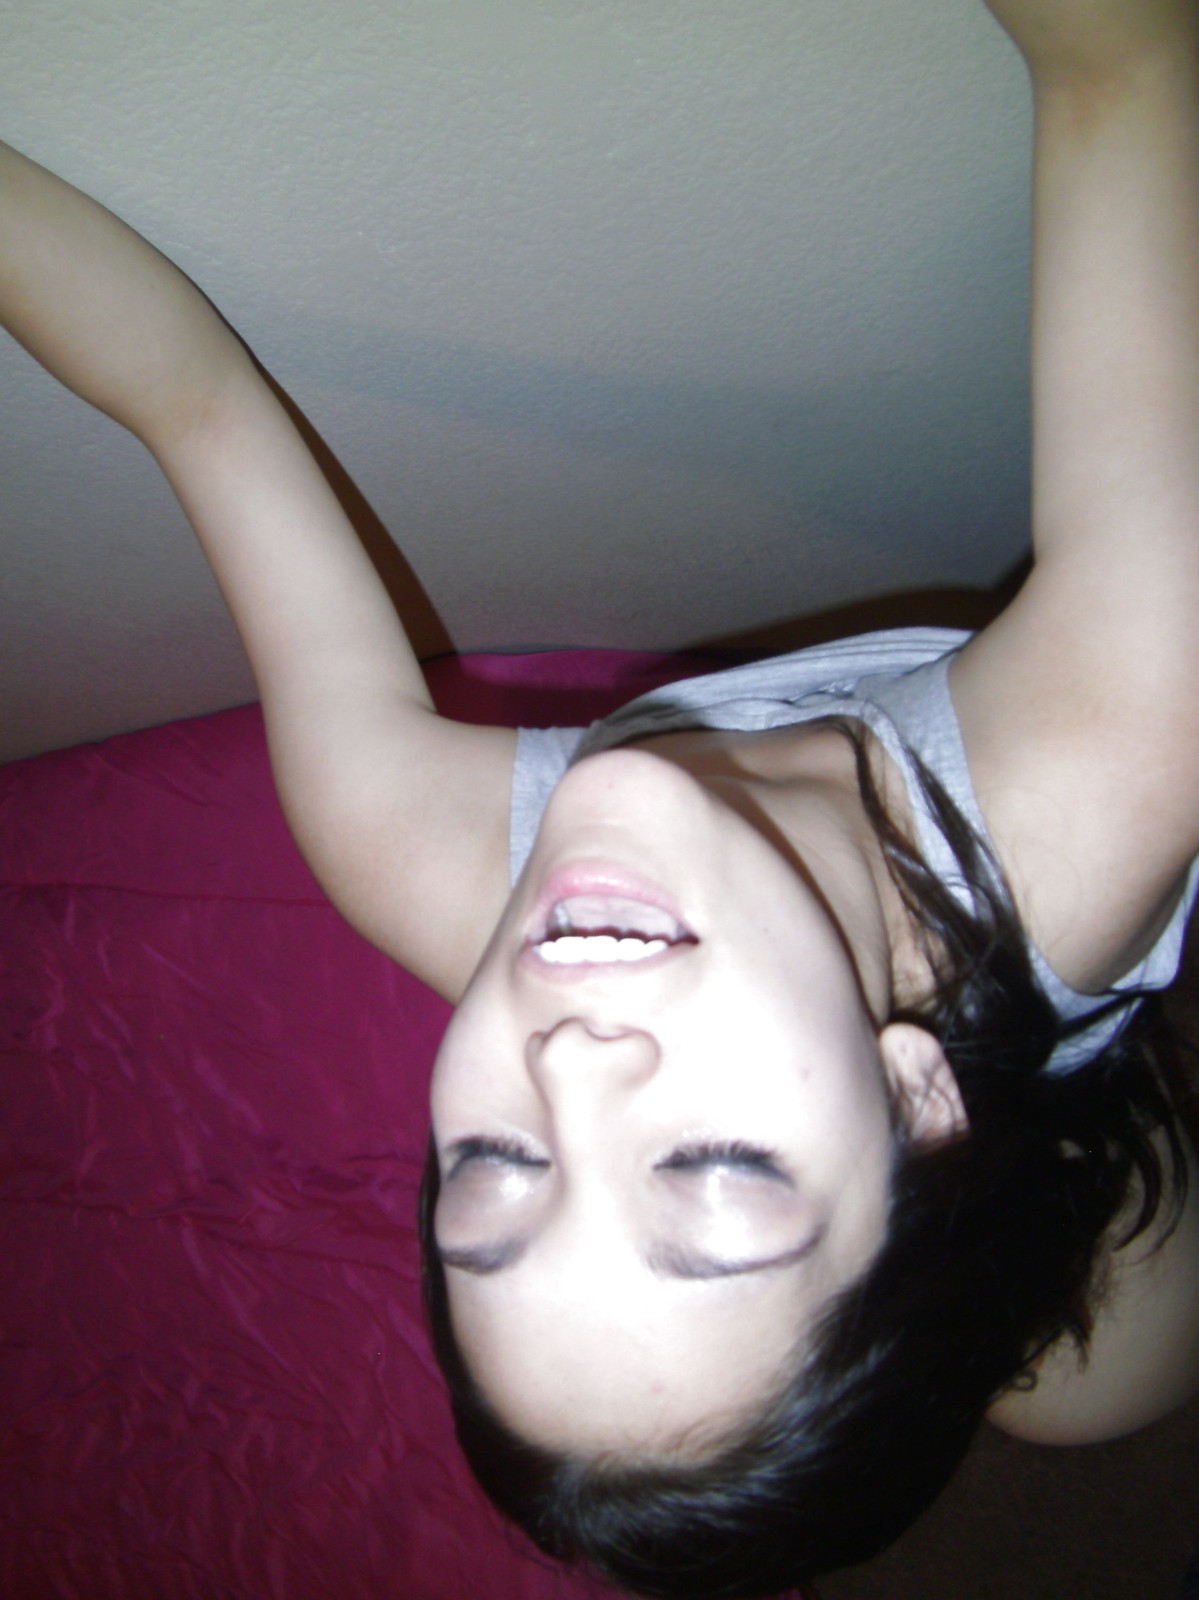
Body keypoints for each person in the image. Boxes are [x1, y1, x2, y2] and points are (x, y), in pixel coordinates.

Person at [3, 0, 1199, 1593]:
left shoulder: (409, 848)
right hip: (1041, 1062)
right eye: (711, 1171)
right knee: (1098, 1374)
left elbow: (192, 402)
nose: (569, 1068)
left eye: (498, 1171)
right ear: (919, 1104)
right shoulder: (1124, 746)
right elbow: (1127, 59)